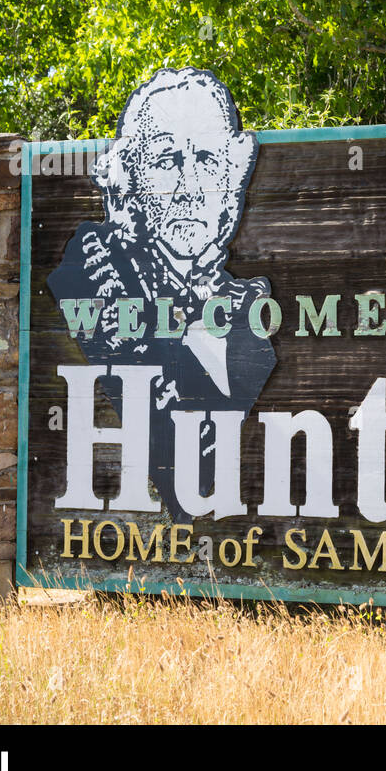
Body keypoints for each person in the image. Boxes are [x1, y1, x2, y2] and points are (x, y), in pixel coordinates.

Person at [47, 67, 277, 521]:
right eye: (167, 161)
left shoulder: (249, 311)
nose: (190, 188)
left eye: (207, 161)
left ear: (232, 181)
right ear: (130, 181)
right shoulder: (87, 274)